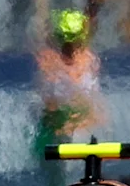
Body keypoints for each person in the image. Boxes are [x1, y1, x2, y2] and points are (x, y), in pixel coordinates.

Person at [35, 8, 102, 149]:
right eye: (66, 41)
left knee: (90, 117)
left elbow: (92, 102)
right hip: (56, 122)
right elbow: (49, 102)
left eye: (73, 40)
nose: (70, 46)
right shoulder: (49, 60)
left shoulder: (88, 59)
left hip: (81, 120)